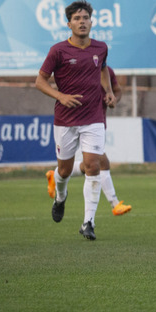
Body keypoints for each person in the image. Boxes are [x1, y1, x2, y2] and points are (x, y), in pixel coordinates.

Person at [35, 0, 116, 241]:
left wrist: (108, 91)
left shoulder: (100, 48)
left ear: (92, 21)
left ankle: (88, 222)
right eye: (77, 19)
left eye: (86, 18)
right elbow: (40, 81)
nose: (82, 22)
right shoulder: (58, 50)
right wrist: (61, 96)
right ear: (68, 23)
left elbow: (103, 69)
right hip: (65, 119)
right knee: (64, 170)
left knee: (93, 165)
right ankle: (60, 197)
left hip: (93, 117)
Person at [45, 65, 132, 217]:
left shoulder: (107, 71)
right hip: (73, 123)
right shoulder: (77, 68)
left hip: (97, 123)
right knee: (101, 162)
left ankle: (56, 175)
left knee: (92, 165)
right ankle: (114, 204)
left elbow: (117, 91)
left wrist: (113, 99)